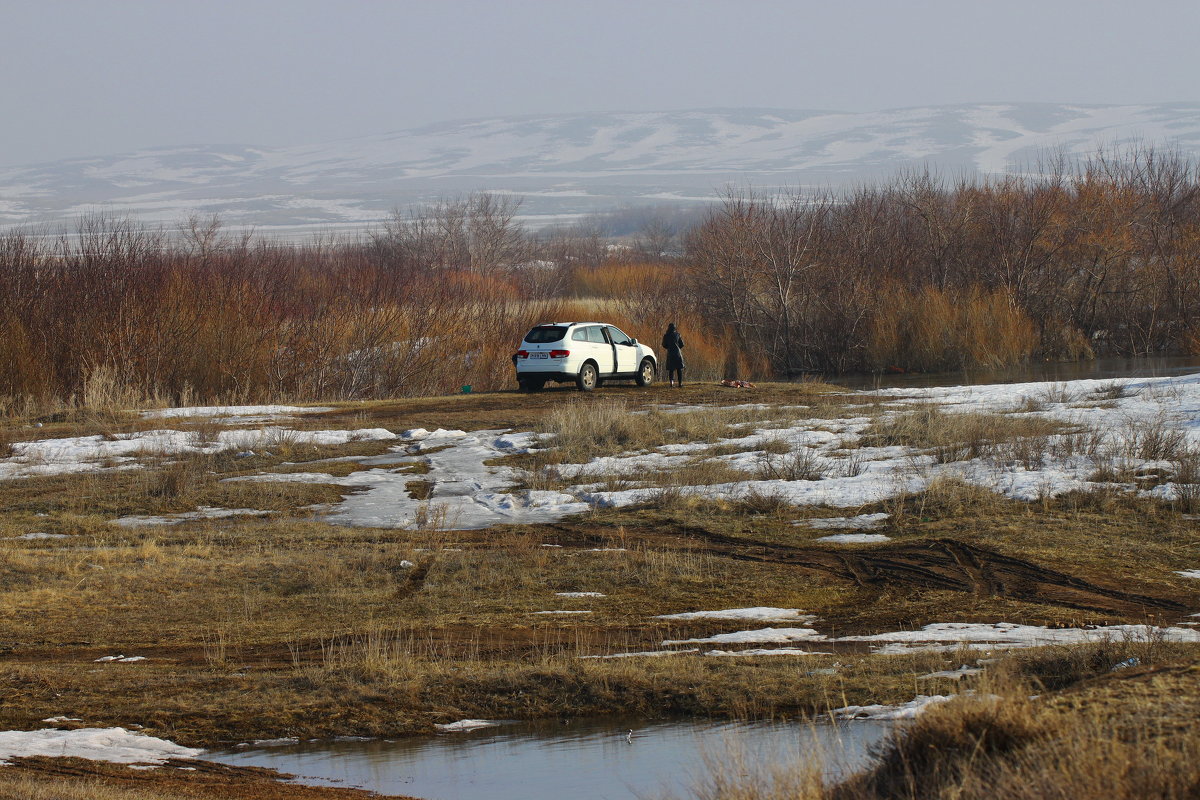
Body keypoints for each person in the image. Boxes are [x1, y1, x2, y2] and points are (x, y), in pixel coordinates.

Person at [661, 322, 685, 387]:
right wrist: (677, 348)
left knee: (671, 369)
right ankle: (680, 383)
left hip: (670, 353)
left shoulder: (666, 335)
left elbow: (663, 345)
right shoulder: (678, 334)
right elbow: (682, 344)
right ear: (675, 328)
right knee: (679, 369)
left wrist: (668, 348)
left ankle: (671, 383)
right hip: (677, 353)